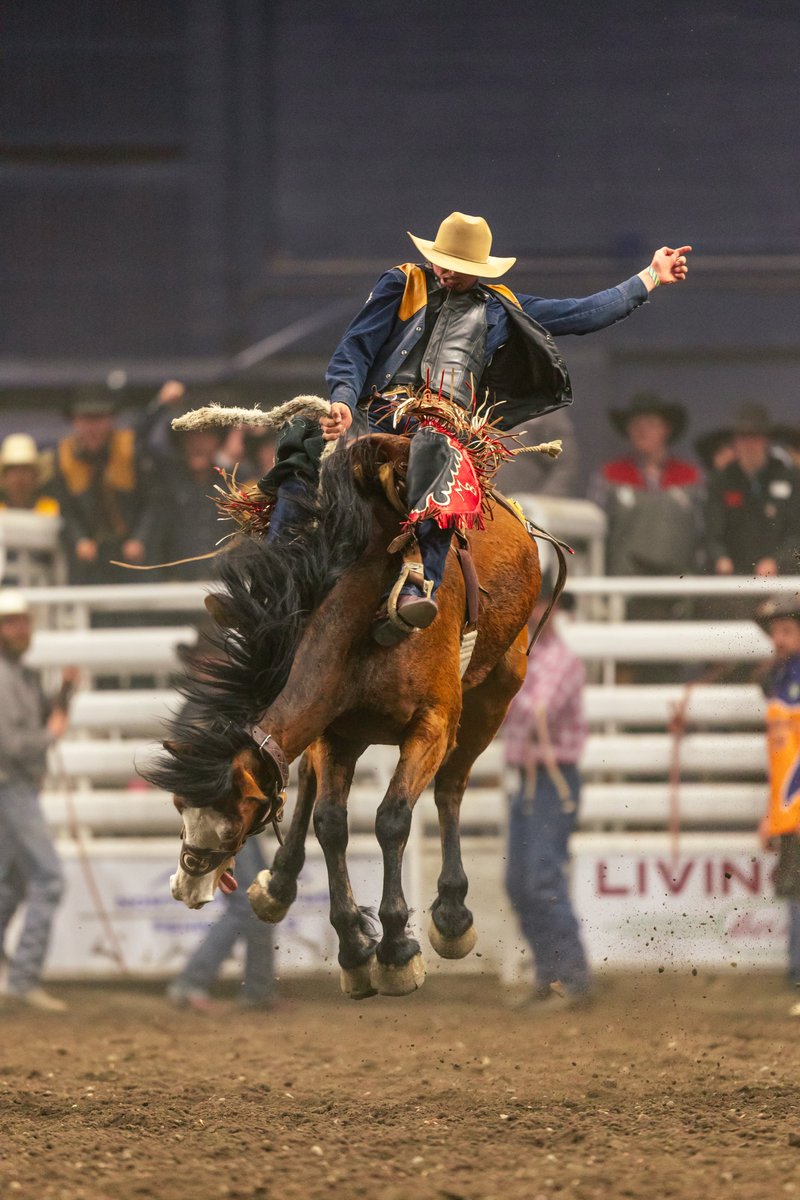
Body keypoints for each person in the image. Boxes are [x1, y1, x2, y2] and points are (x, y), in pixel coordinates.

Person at [263, 211, 691, 645]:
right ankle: (274, 565)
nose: (448, 273)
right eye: (443, 263)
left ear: (478, 271)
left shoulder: (501, 309)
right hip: (377, 411)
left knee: (437, 448)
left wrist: (650, 277)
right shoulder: (401, 284)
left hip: (445, 425)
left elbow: (582, 313)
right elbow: (356, 348)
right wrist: (342, 399)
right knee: (305, 434)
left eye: (460, 268)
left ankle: (421, 580)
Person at [502, 591, 592, 1009]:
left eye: (541, 605)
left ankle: (571, 978)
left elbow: (535, 711)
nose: (536, 612)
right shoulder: (528, 657)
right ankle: (551, 975)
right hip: (533, 781)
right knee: (520, 882)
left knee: (540, 877)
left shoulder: (561, 661)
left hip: (553, 781)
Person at [0, 590, 75, 1012]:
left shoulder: (18, 674)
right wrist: (53, 734)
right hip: (10, 786)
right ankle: (24, 978)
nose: (22, 629)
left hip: (13, 787)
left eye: (23, 621)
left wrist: (62, 697)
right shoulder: (7, 675)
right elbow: (11, 744)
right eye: (13, 623)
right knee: (47, 877)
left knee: (10, 882)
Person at [590, 392, 702, 578]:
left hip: (680, 587)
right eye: (635, 425)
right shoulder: (608, 476)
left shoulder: (692, 477)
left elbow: (702, 535)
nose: (642, 430)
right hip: (623, 586)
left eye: (650, 423)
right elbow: (593, 536)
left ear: (666, 429)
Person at [52, 390, 158, 584]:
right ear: (75, 422)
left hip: (132, 550)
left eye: (99, 419)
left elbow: (152, 502)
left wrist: (140, 538)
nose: (93, 428)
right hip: (89, 555)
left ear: (111, 420)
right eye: (85, 419)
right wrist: (79, 539)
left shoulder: (130, 449)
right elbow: (66, 509)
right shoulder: (63, 457)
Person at [753, 595, 800, 1014]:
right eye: (777, 632)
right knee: (794, 889)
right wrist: (773, 813)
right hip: (789, 806)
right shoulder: (781, 677)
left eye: (787, 631)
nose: (779, 639)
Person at [705, 403, 800, 578]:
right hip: (733, 576)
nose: (749, 444)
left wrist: (777, 561)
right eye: (743, 437)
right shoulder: (721, 480)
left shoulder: (790, 477)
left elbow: (796, 533)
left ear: (766, 439)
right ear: (734, 441)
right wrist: (720, 558)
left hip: (780, 576)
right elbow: (711, 532)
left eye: (755, 436)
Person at [494, 408, 581, 499]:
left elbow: (565, 462)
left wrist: (543, 501)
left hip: (522, 504)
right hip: (484, 501)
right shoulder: (484, 400)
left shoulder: (546, 406)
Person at [0, 434, 60, 516]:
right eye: (13, 471)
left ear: (36, 475)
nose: (19, 477)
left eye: (25, 470)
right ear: (4, 478)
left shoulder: (54, 510)